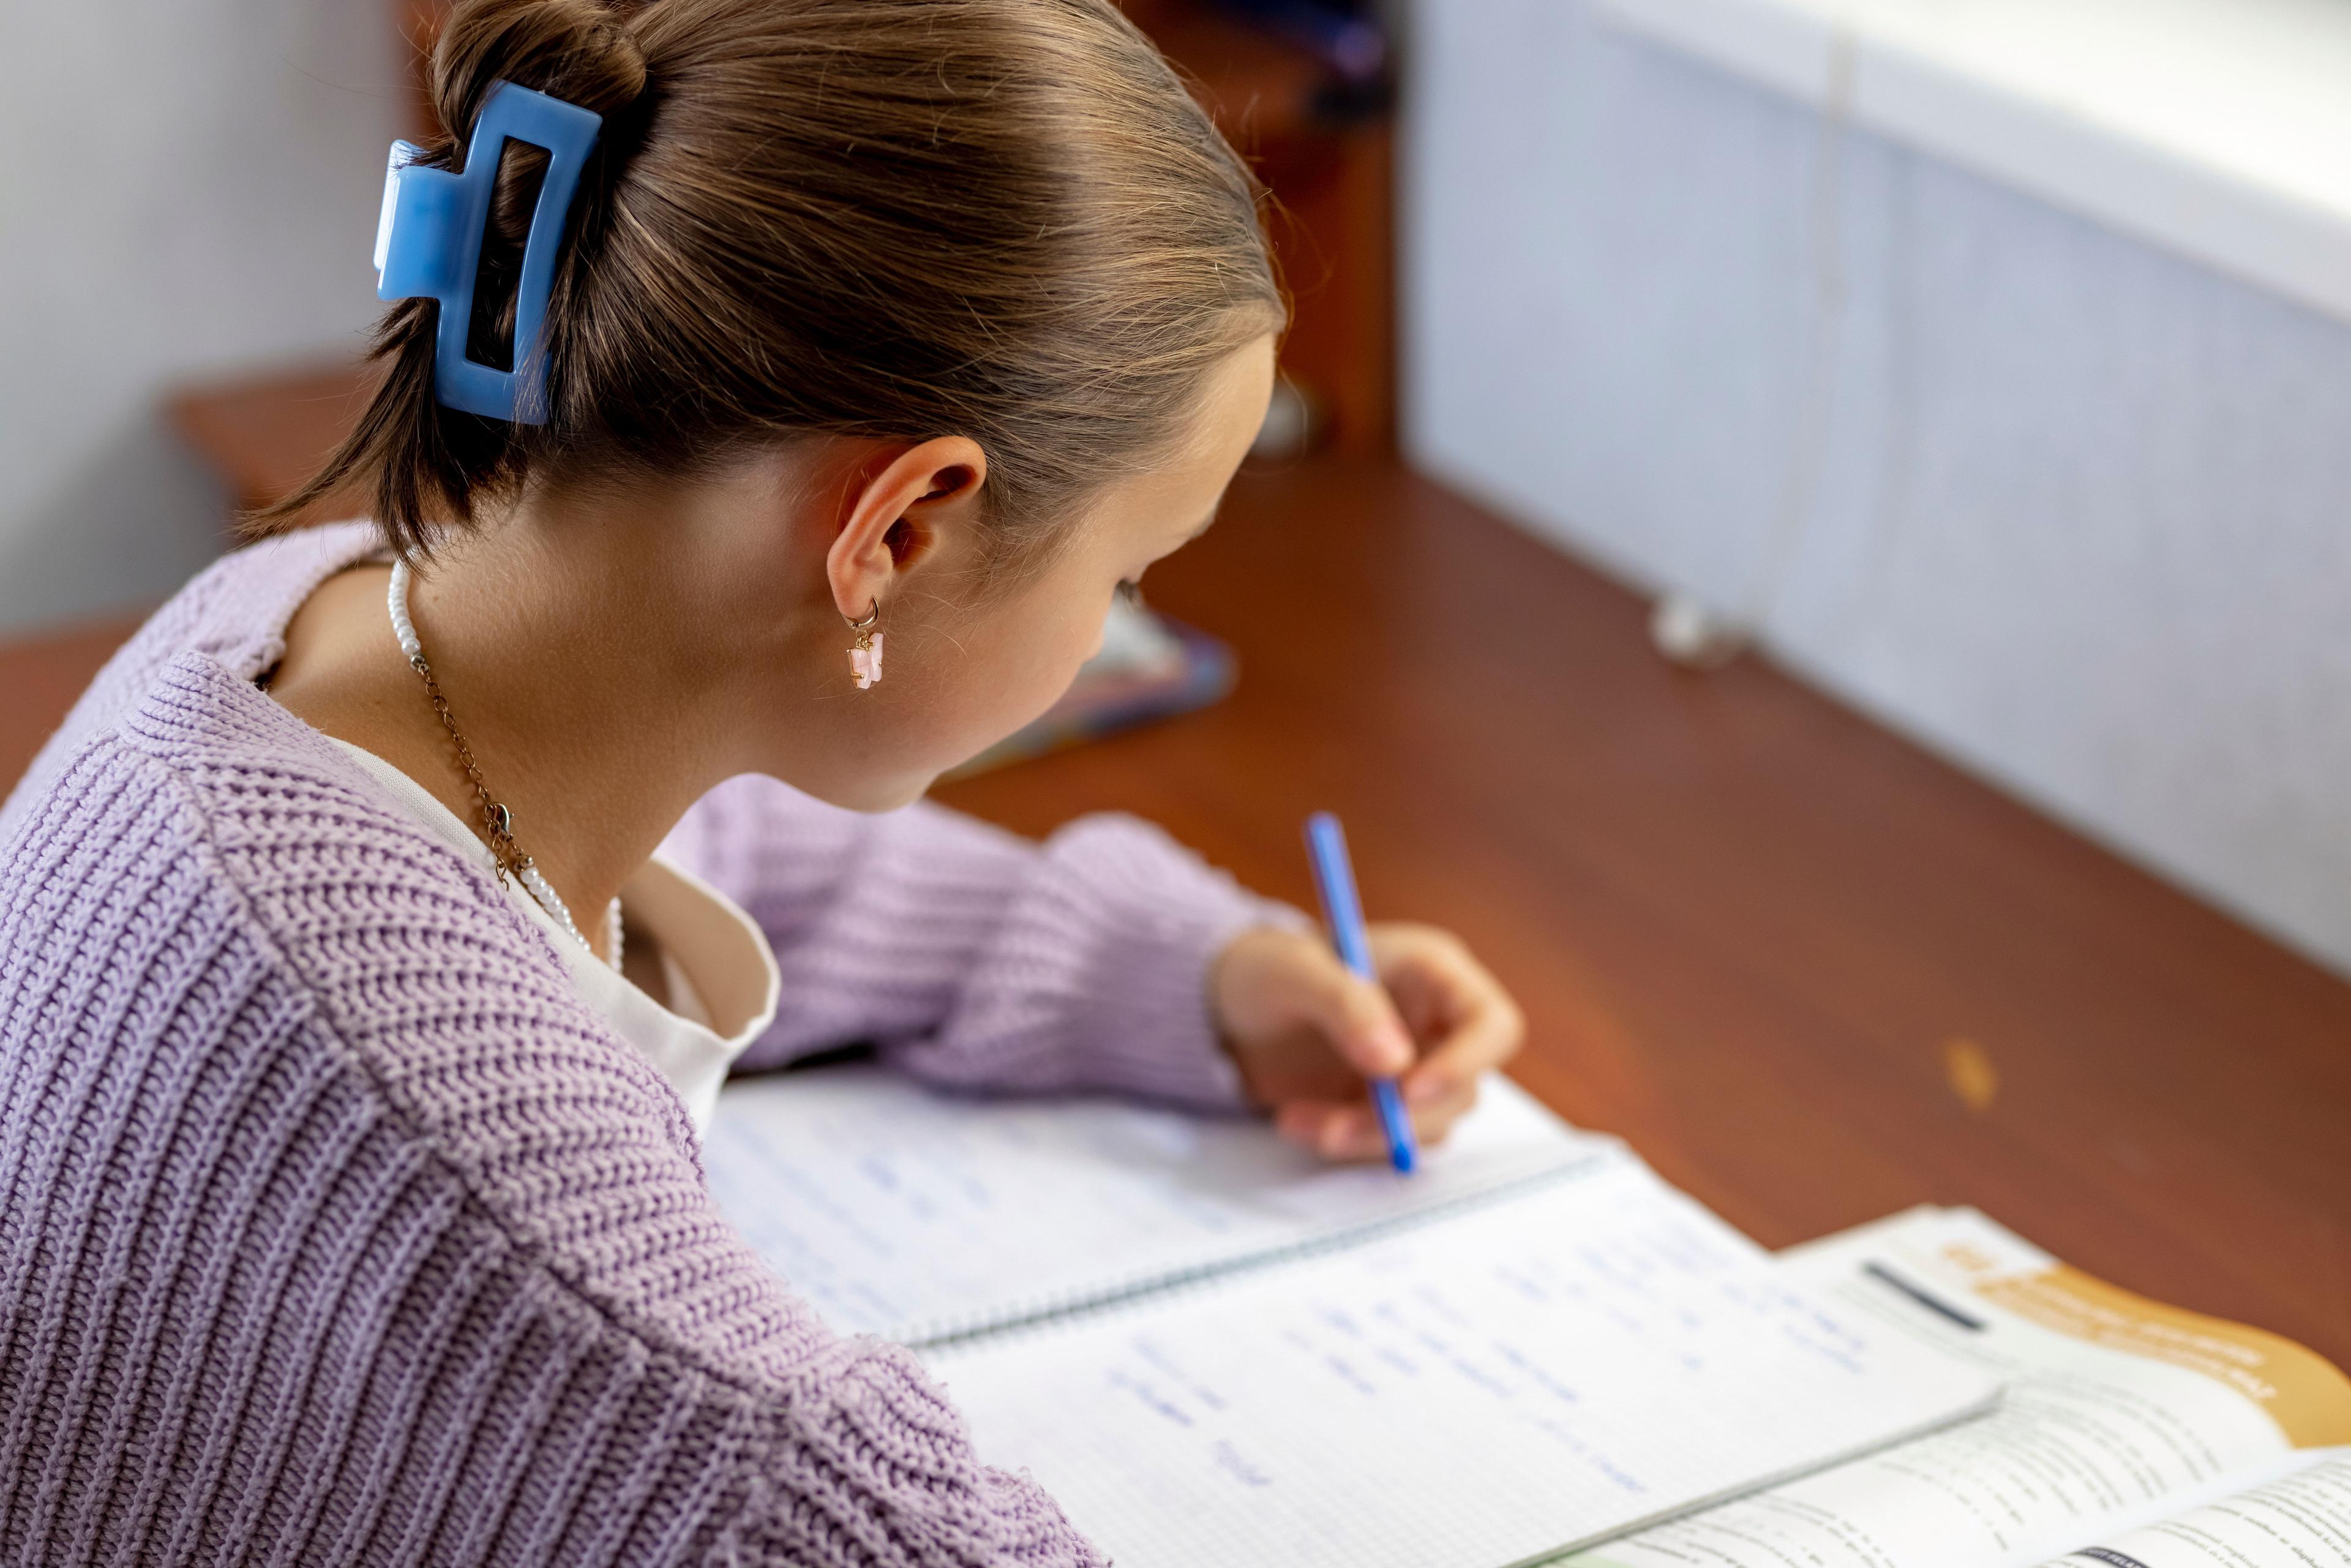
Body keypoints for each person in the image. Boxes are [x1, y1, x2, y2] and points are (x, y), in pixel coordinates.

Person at [0, 1, 1524, 1561]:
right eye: (1129, 569)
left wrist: (1210, 978)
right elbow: (807, 1492)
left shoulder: (326, 630)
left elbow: (741, 861)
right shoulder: (505, 1203)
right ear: (899, 532)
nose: (1115, 625)